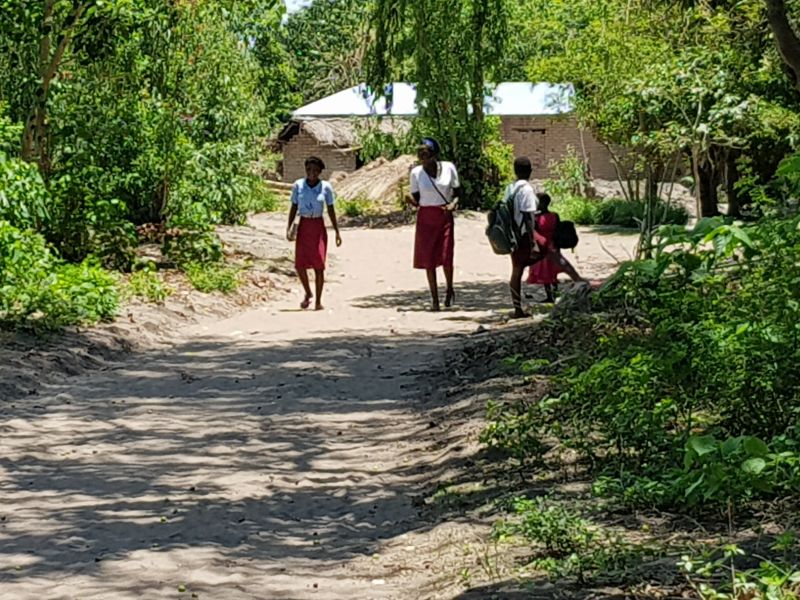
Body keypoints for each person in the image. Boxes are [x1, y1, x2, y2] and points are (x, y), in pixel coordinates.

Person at [408, 137, 460, 311]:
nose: (422, 155)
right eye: (420, 152)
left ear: (434, 153)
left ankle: (450, 289)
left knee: (446, 256)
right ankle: (435, 299)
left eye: (426, 152)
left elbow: (458, 192)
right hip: (426, 218)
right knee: (429, 259)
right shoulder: (416, 173)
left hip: (444, 215)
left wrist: (453, 204)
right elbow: (416, 198)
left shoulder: (448, 168)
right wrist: (410, 201)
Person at [286, 156, 342, 310]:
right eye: (309, 170)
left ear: (320, 172)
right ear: (305, 170)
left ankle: (318, 301)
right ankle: (308, 292)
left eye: (315, 170)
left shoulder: (326, 187)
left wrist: (337, 231)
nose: (312, 173)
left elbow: (330, 209)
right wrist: (289, 227)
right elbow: (293, 207)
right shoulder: (298, 185)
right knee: (300, 264)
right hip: (303, 226)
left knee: (319, 265)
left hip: (318, 227)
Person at [527, 192, 584, 302]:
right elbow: (557, 230)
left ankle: (549, 296)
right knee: (553, 270)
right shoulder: (555, 215)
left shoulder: (536, 218)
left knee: (545, 272)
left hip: (542, 246)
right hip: (553, 245)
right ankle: (555, 294)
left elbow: (534, 233)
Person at [507, 157, 541, 318]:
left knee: (516, 270)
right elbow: (528, 217)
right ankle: (518, 309)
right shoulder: (526, 190)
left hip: (512, 234)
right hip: (523, 236)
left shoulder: (511, 188)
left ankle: (517, 307)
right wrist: (533, 242)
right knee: (519, 270)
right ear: (530, 172)